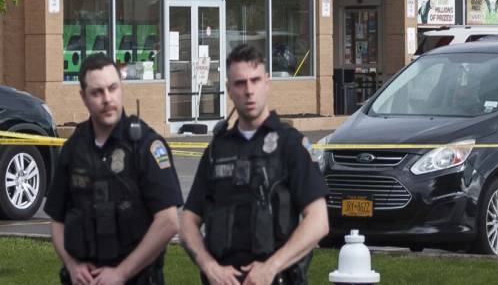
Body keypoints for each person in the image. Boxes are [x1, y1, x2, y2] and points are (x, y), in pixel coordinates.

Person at [180, 45, 329, 285]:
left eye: (255, 80)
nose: (249, 91)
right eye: (240, 83)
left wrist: (271, 268)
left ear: (267, 83)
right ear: (229, 90)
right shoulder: (217, 150)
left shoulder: (289, 145)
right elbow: (188, 222)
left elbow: (318, 221)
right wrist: (209, 267)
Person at [45, 54, 182, 285]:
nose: (107, 99)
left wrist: (121, 273)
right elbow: (57, 221)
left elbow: (168, 222)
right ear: (83, 97)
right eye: (97, 92)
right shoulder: (73, 149)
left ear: (122, 88)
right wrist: (73, 265)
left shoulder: (146, 146)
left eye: (112, 88)